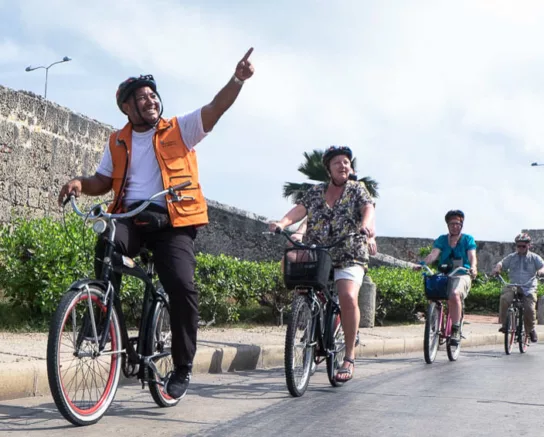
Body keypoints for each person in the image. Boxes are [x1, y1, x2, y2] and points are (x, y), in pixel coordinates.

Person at [56, 49, 255, 399]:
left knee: (180, 285)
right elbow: (102, 180)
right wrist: (80, 184)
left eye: (152, 95)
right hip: (131, 217)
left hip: (173, 221)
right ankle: (103, 321)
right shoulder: (117, 140)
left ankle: (182, 366)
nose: (150, 100)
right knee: (106, 241)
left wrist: (237, 79)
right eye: (141, 98)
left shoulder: (180, 129)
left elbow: (215, 108)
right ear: (127, 109)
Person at [269, 146, 376, 383]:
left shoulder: (357, 189)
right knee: (292, 261)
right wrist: (283, 223)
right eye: (337, 162)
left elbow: (368, 208)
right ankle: (309, 316)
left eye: (346, 162)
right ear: (328, 168)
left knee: (347, 296)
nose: (343, 166)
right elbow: (299, 210)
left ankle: (348, 356)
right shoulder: (316, 192)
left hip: (349, 251)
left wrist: (367, 226)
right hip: (319, 251)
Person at [417, 210, 478, 346]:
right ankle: (435, 321)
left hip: (462, 273)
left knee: (454, 294)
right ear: (447, 225)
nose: (455, 226)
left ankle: (456, 329)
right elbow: (433, 255)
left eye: (457, 223)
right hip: (444, 274)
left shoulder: (468, 239)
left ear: (461, 224)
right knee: (433, 292)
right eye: (452, 224)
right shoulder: (442, 239)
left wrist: (473, 267)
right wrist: (421, 264)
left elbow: (472, 255)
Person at [491, 233, 544, 343]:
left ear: (529, 246)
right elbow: (501, 263)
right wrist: (497, 269)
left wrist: (541, 271)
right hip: (514, 286)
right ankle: (505, 324)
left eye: (523, 246)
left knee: (529, 309)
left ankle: (531, 329)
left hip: (529, 287)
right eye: (518, 246)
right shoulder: (512, 257)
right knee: (504, 299)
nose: (521, 248)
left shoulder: (534, 258)